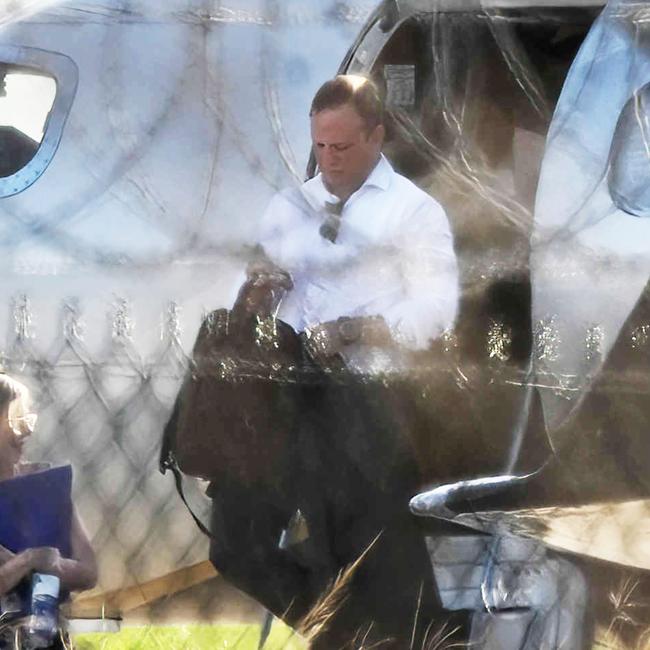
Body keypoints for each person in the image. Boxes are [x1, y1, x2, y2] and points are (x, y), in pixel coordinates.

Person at [207, 75, 461, 649]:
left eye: (342, 147)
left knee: (359, 558)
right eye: (321, 146)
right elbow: (242, 290)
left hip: (365, 407)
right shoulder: (287, 206)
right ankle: (346, 631)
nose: (329, 159)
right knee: (234, 547)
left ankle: (360, 634)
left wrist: (354, 329)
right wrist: (254, 295)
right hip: (282, 402)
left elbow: (435, 315)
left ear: (377, 137)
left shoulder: (413, 214)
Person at [0, 373, 97, 600]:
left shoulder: (45, 484)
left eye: (27, 419)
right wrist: (28, 561)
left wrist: (41, 564)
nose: (27, 431)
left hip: (44, 628)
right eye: (15, 421)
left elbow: (89, 572)